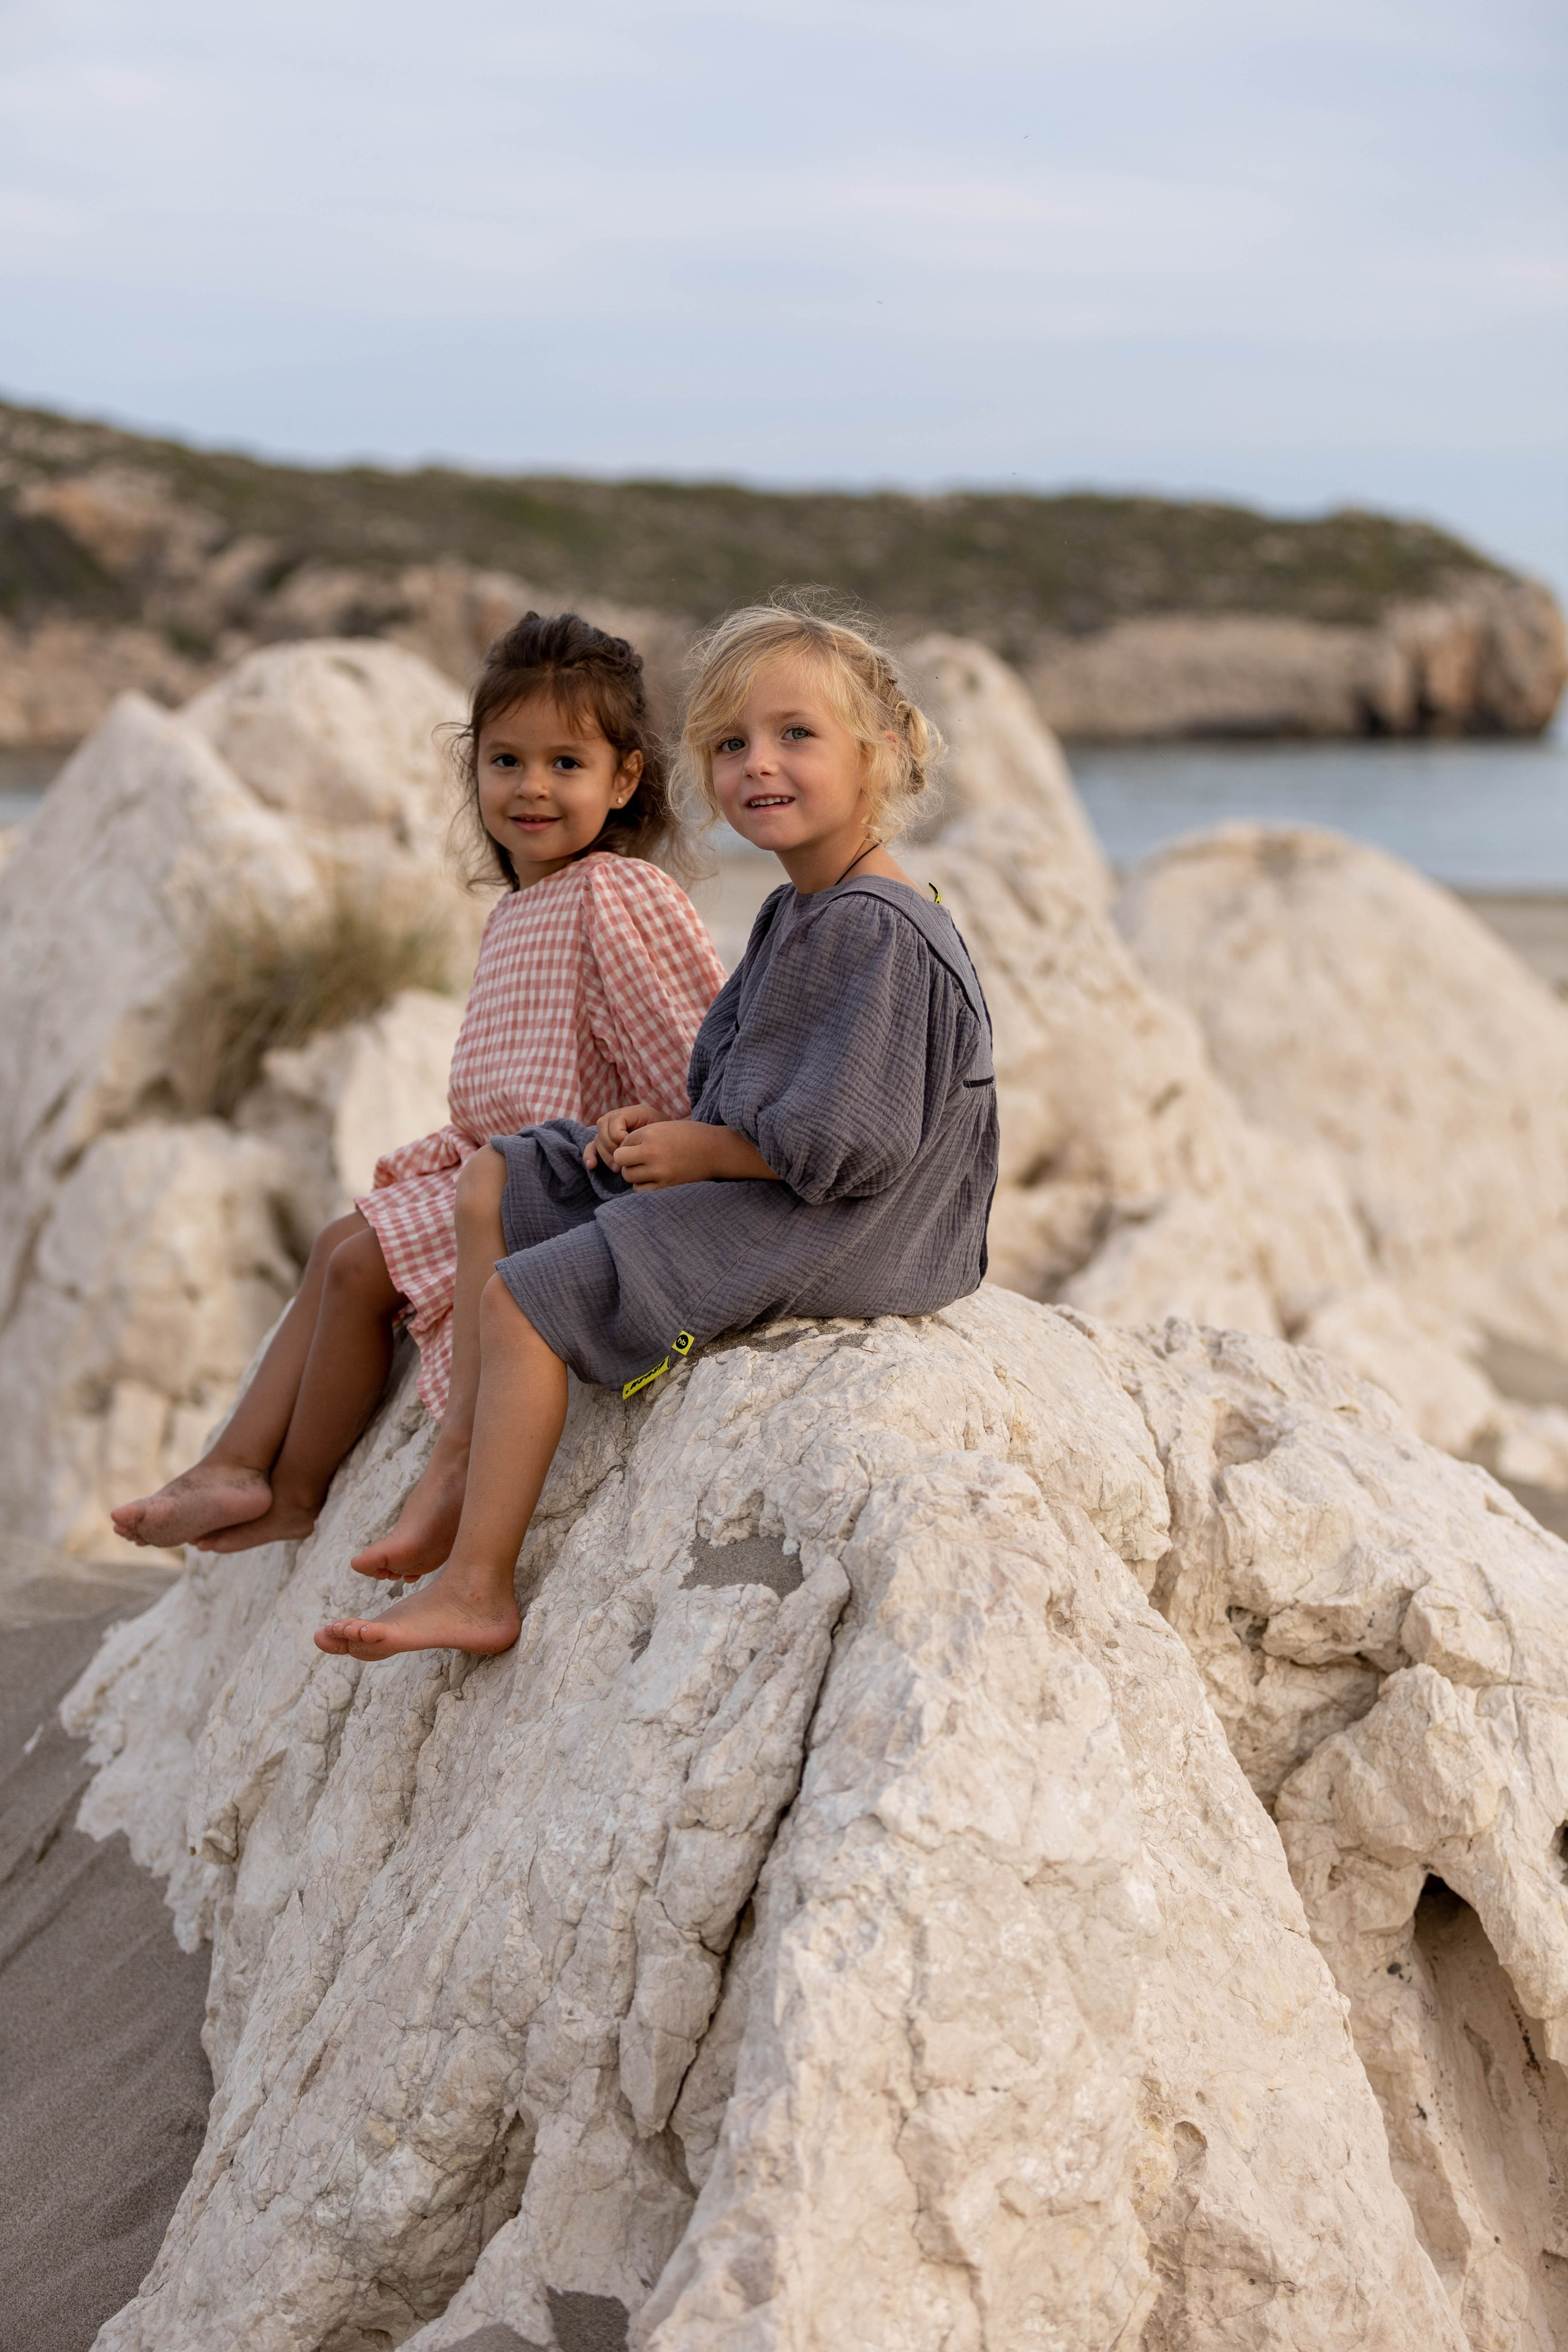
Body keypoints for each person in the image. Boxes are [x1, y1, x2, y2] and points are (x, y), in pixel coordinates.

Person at [316, 600, 998, 1661]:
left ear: (884, 755)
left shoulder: (876, 925)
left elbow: (855, 1145)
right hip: (792, 1180)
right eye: (730, 744)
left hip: (859, 1227)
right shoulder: (798, 912)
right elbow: (751, 1080)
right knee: (502, 1173)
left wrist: (712, 1152)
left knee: (528, 1297)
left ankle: (478, 1584)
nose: (757, 765)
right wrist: (669, 1126)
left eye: (796, 736)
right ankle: (456, 1455)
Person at [112, 612, 725, 1558]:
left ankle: (295, 1491)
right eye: (506, 761)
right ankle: (231, 1463)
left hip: (573, 1187)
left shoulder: (619, 893)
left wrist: (651, 1139)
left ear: (625, 779)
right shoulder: (522, 910)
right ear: (474, 769)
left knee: (364, 1267)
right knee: (337, 1243)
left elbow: (691, 1059)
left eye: (567, 764)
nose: (532, 788)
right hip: (498, 1170)